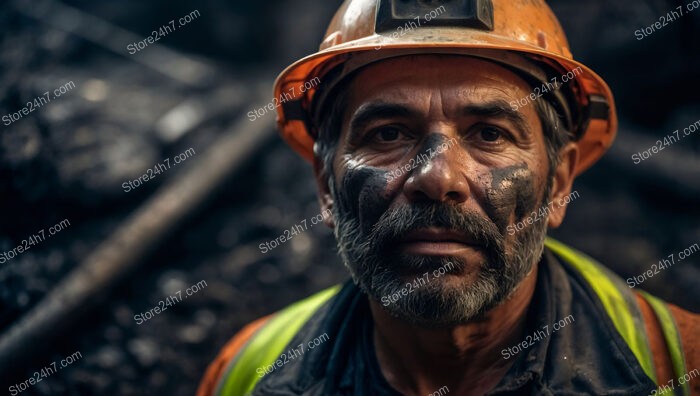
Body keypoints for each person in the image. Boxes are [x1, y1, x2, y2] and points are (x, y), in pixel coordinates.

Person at [199, 0, 700, 394]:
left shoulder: (683, 366)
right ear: (327, 186)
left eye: (488, 134)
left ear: (560, 181)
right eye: (388, 134)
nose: (438, 179)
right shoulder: (246, 374)